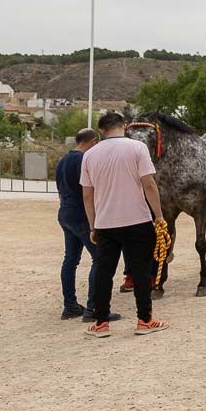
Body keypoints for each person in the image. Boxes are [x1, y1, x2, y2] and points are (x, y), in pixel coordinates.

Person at [81, 112, 170, 338]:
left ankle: (101, 323)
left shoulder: (90, 155)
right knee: (140, 272)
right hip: (137, 220)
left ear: (101, 130)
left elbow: (87, 196)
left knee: (104, 272)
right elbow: (149, 184)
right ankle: (144, 320)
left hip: (105, 223)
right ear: (124, 126)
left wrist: (93, 226)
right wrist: (158, 216)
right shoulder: (138, 148)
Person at [54, 128, 121, 323]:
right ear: (93, 141)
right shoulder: (85, 160)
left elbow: (59, 189)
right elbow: (90, 192)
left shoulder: (63, 160)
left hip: (65, 211)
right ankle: (94, 308)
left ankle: (70, 306)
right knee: (100, 259)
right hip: (82, 214)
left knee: (70, 260)